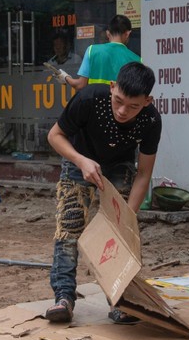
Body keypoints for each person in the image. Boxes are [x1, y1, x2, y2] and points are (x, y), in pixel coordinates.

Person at [44, 61, 161, 324]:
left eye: (133, 106)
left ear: (147, 101)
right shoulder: (88, 99)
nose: (122, 111)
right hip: (79, 160)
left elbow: (143, 173)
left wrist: (127, 216)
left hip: (119, 167)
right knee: (69, 227)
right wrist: (80, 160)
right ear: (112, 87)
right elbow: (55, 136)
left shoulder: (151, 120)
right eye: (118, 100)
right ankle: (64, 297)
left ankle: (119, 299)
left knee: (119, 233)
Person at [50, 14, 139, 91]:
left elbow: (80, 85)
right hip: (120, 109)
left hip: (95, 106)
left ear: (108, 33)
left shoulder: (92, 51)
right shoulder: (137, 60)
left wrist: (65, 77)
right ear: (128, 34)